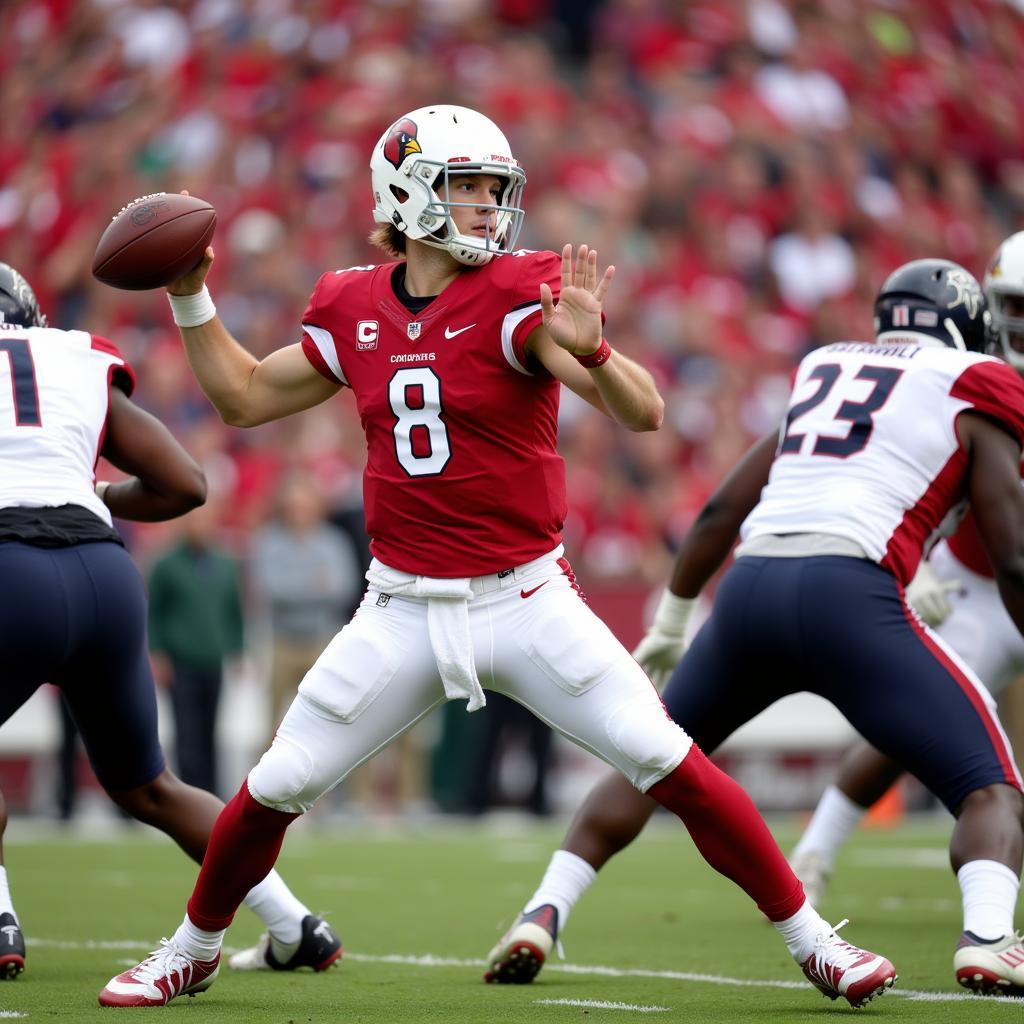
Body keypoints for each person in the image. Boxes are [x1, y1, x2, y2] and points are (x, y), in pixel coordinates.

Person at [99, 104, 895, 1009]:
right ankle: (193, 946)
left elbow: (644, 413)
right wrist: (190, 296)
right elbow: (242, 397)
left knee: (669, 761)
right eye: (466, 186)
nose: (486, 206)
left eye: (493, 189)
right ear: (406, 194)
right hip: (397, 605)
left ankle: (813, 941)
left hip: (526, 601)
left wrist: (596, 351)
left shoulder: (523, 292)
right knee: (276, 784)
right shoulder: (349, 303)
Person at [487, 257, 1024, 997]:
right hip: (851, 596)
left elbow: (719, 512)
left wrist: (674, 621)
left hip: (752, 591)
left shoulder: (826, 365)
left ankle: (544, 907)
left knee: (654, 760)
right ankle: (991, 936)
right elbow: (1013, 554)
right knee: (990, 785)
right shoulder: (974, 379)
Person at [0, 263, 340, 981]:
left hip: (10, 571)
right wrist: (95, 494)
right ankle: (295, 925)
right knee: (150, 786)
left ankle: (1, 917)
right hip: (103, 572)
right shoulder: (72, 355)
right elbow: (186, 483)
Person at [790, 230, 1024, 906]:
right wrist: (913, 568)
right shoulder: (967, 376)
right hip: (975, 587)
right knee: (908, 723)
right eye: (1015, 305)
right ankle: (816, 849)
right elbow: (906, 475)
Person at [250, 469, 362, 742]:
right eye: (294, 505)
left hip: (322, 642)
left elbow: (344, 588)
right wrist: (315, 586)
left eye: (305, 504)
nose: (300, 511)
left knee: (327, 718)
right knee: (273, 722)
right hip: (282, 642)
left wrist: (299, 587)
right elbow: (272, 589)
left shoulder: (333, 541)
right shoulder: (268, 541)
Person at [148, 499, 245, 796]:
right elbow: (155, 614)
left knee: (211, 732)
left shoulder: (225, 563)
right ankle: (192, 794)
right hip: (181, 661)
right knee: (187, 733)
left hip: (212, 660)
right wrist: (158, 654)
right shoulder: (166, 565)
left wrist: (237, 649)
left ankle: (212, 793)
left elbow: (233, 611)